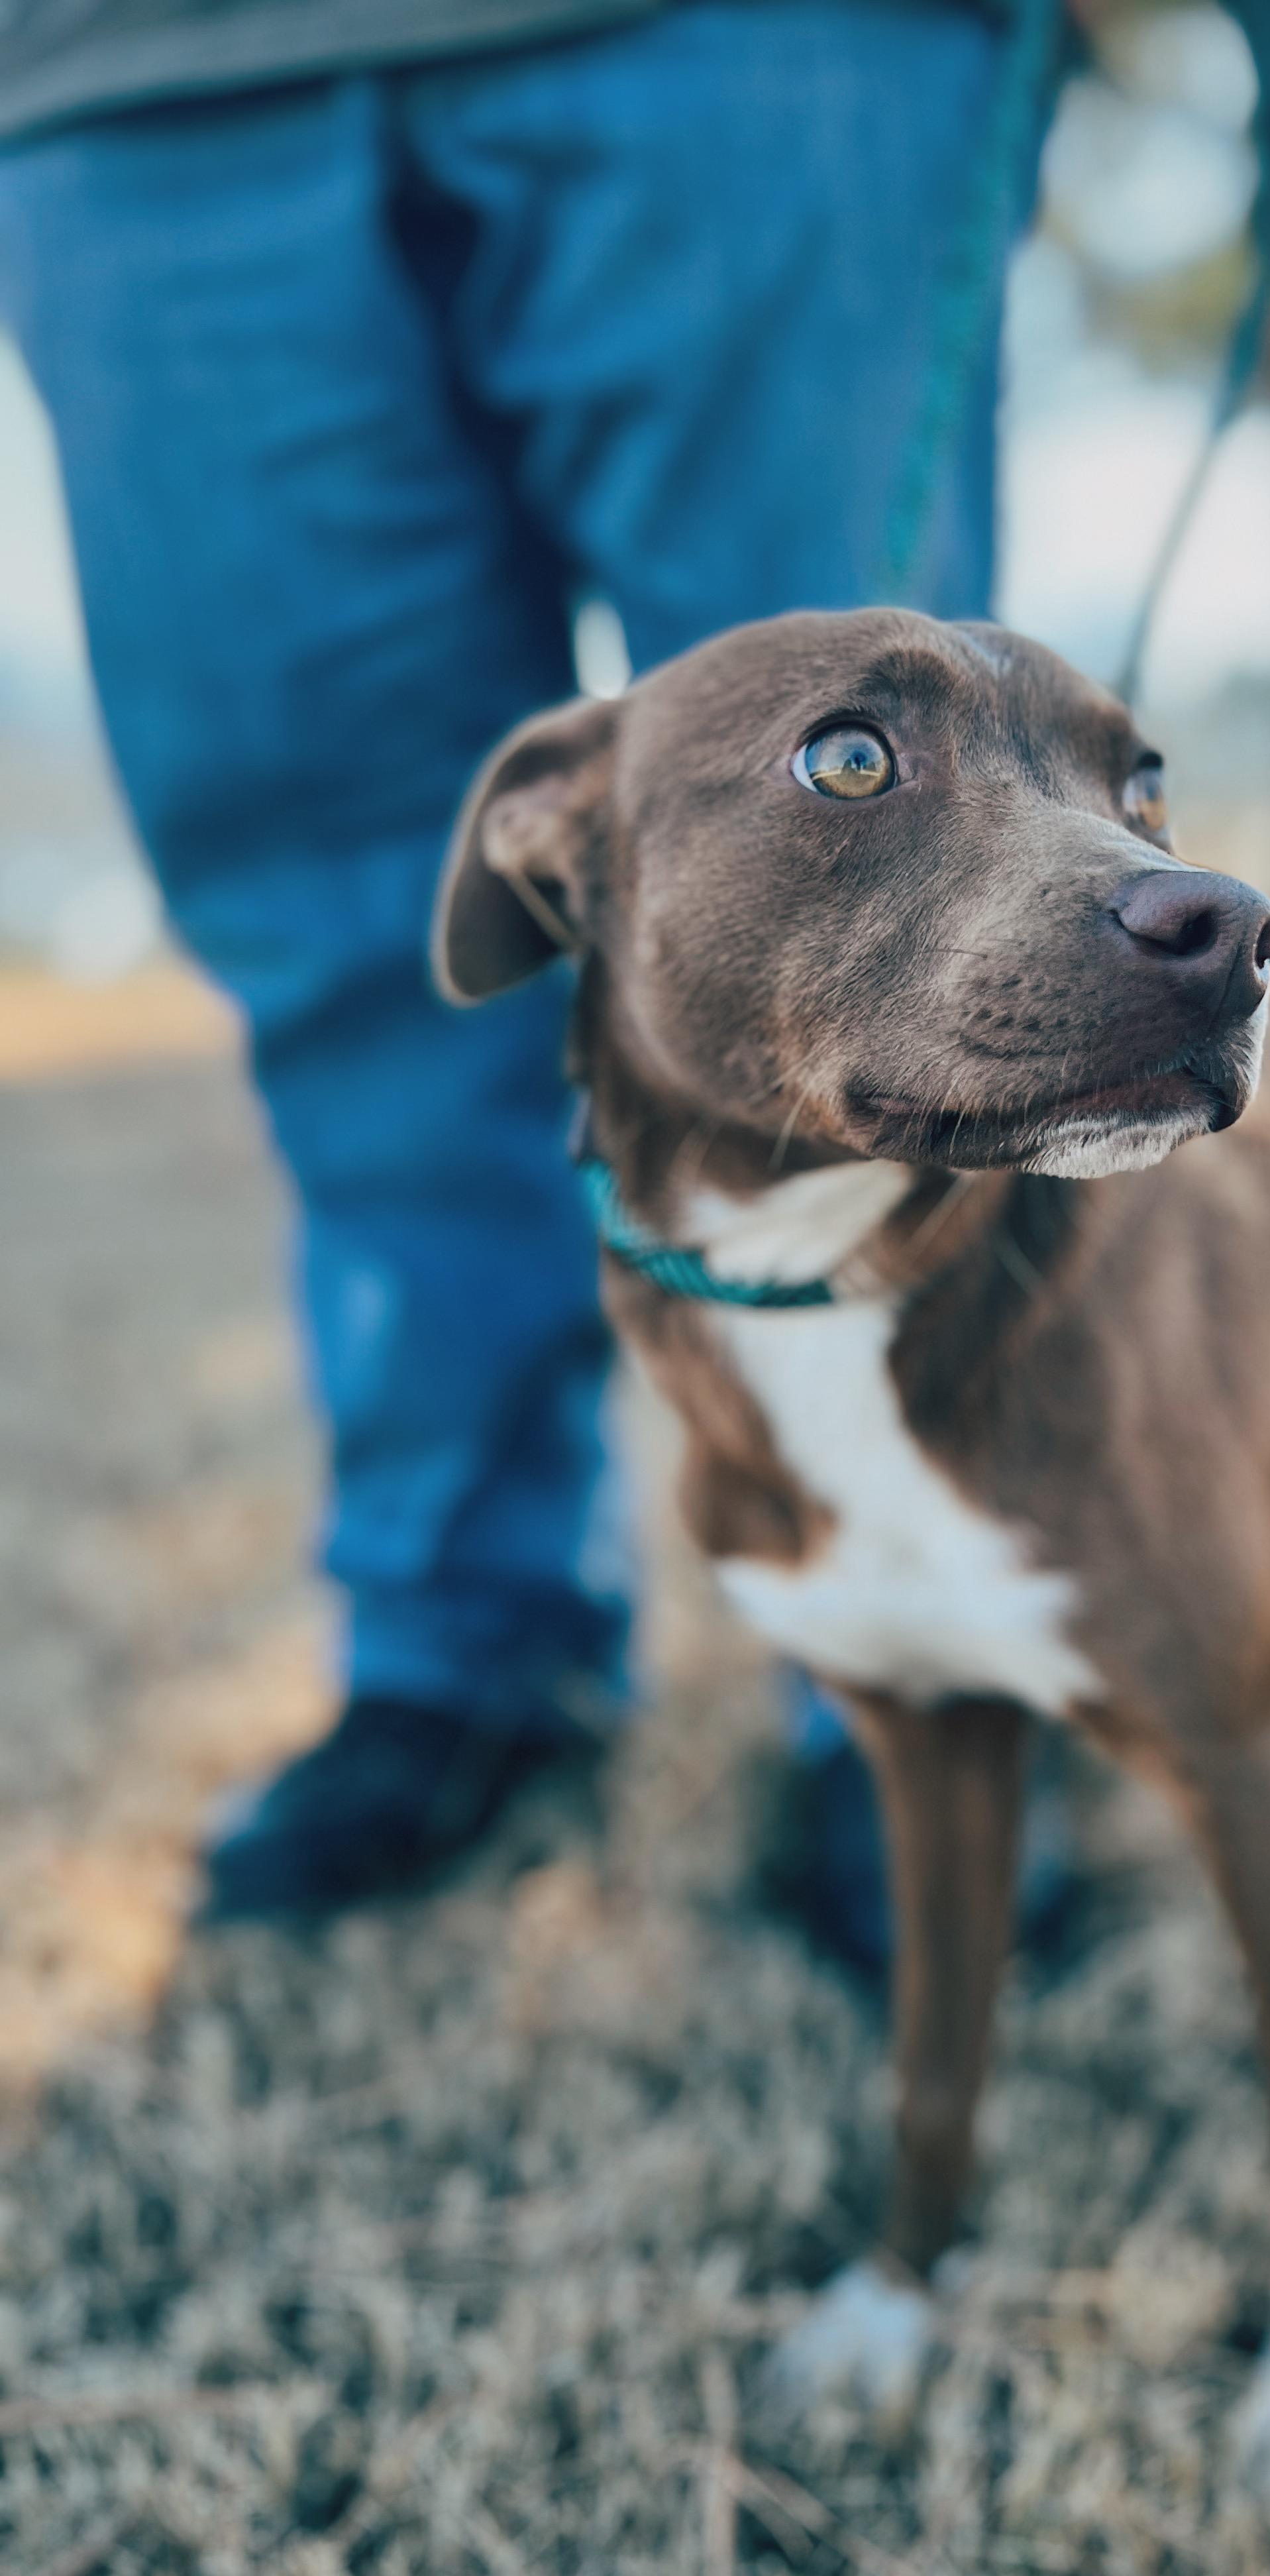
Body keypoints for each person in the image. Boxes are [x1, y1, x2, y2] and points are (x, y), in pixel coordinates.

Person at [0, 0, 1028, 1917]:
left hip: (761, 46)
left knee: (885, 900)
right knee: (351, 934)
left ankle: (927, 1659)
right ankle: (462, 1649)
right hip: (129, 71)